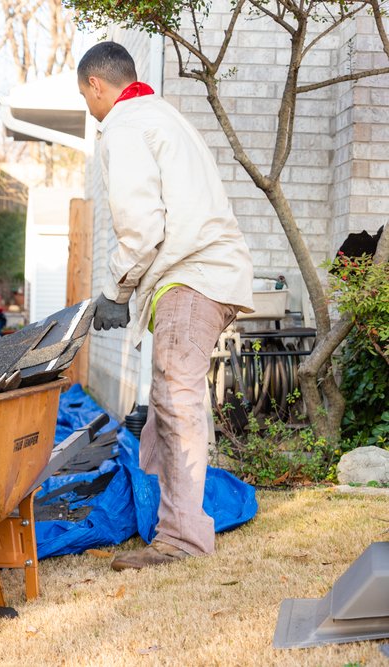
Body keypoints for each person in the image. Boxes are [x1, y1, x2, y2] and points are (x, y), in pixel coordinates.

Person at [78, 42, 254, 570]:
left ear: (95, 86)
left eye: (85, 97)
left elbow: (141, 225)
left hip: (192, 275)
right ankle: (166, 517)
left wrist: (116, 289)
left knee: (177, 401)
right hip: (206, 272)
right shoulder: (163, 116)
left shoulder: (126, 126)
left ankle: (182, 537)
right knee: (165, 398)